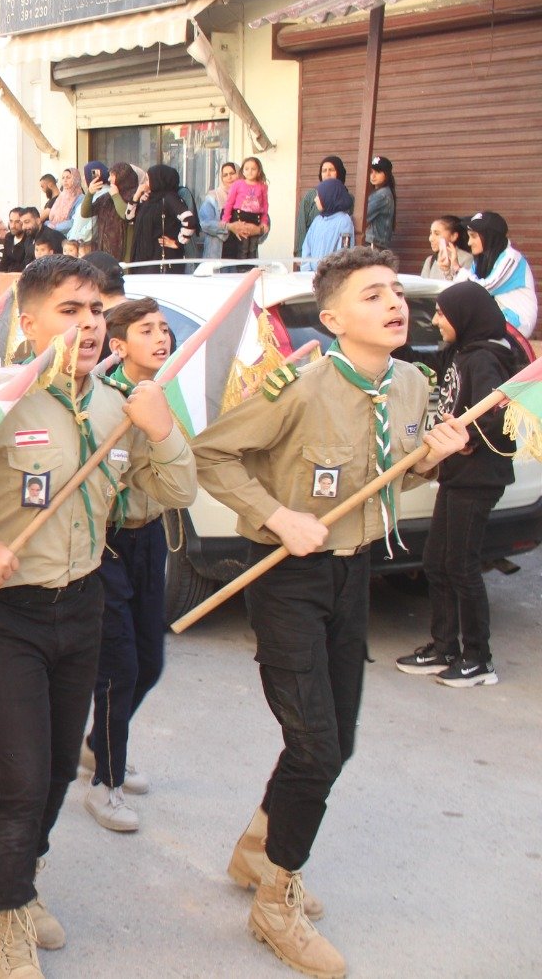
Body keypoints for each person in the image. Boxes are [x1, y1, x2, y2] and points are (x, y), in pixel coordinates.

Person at [0, 256, 194, 977]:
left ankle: (22, 886)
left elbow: (174, 489)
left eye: (95, 310)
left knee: (61, 768)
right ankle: (5, 916)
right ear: (27, 323)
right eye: (69, 310)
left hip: (83, 601)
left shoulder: (116, 404)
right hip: (3, 613)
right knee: (21, 776)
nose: (88, 324)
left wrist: (160, 430)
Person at [193, 247, 468, 979]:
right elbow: (212, 455)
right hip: (289, 577)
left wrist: (437, 456)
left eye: (396, 293)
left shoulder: (412, 383)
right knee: (314, 745)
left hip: (355, 572)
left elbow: (405, 460)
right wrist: (277, 516)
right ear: (335, 317)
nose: (393, 304)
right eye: (373, 294)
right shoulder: (298, 384)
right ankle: (275, 897)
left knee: (336, 741)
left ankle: (258, 847)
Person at [73, 297, 177, 836]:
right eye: (146, 330)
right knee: (120, 668)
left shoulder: (161, 394)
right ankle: (104, 783)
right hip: (107, 542)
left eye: (164, 329)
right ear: (119, 346)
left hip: (149, 538)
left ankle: (99, 745)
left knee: (152, 661)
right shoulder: (106, 401)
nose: (161, 338)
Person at [396, 282, 519, 687]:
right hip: (456, 476)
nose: (435, 322)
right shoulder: (462, 353)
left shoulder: (485, 358)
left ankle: (478, 659)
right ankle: (444, 646)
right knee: (436, 562)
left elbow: (496, 416)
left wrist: (465, 440)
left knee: (462, 566)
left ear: (464, 316)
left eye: (442, 315)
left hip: (478, 478)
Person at [460, 210, 535, 336]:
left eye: (473, 236)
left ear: (489, 236)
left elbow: (485, 288)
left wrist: (458, 271)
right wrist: (449, 270)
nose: (469, 242)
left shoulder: (511, 258)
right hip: (494, 319)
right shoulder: (480, 260)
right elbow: (464, 289)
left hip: (516, 323)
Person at [131, 165, 198, 271]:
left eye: (148, 179)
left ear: (158, 180)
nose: (145, 183)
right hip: (145, 257)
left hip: (162, 259)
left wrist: (177, 243)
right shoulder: (150, 199)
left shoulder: (169, 198)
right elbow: (129, 217)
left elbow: (189, 220)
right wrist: (137, 196)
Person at [294, 156, 347, 257]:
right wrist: (300, 255)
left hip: (334, 260)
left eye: (331, 170)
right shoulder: (312, 196)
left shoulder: (346, 198)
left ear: (339, 172)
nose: (327, 174)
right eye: (324, 171)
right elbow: (301, 226)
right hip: (311, 256)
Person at [221, 156, 270, 260]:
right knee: (243, 247)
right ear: (242, 171)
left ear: (258, 171)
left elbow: (265, 206)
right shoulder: (238, 184)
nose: (250, 171)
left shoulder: (262, 186)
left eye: (253, 169)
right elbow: (229, 203)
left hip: (255, 219)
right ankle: (242, 269)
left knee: (253, 247)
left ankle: (251, 269)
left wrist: (264, 222)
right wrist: (226, 219)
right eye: (247, 169)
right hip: (240, 218)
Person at [299, 179, 356, 266]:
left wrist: (327, 276)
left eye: (318, 196)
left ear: (328, 196)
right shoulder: (317, 220)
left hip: (330, 277)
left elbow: (344, 254)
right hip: (311, 276)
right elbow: (306, 248)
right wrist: (307, 270)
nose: (315, 199)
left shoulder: (344, 221)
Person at [89, 164, 138, 264]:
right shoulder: (107, 196)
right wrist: (90, 193)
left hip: (126, 251)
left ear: (122, 177)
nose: (109, 179)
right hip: (106, 247)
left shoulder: (135, 195)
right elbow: (86, 212)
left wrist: (116, 196)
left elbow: (125, 215)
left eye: (112, 175)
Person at [199, 162, 239, 260]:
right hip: (218, 255)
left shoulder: (248, 196)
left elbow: (263, 222)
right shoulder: (213, 197)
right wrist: (229, 227)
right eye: (225, 175)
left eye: (232, 173)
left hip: (242, 256)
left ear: (239, 174)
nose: (229, 177)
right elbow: (205, 223)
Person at [421, 215, 475, 281]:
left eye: (437, 234)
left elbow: (464, 286)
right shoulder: (430, 260)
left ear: (453, 236)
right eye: (431, 233)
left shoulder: (466, 258)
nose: (431, 239)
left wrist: (450, 271)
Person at [364, 156, 396, 249]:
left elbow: (362, 218)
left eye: (378, 172)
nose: (373, 176)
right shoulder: (379, 193)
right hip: (375, 246)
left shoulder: (382, 196)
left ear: (386, 174)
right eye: (371, 172)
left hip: (373, 246)